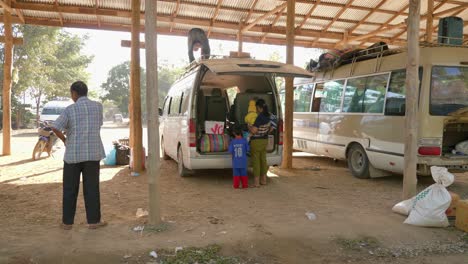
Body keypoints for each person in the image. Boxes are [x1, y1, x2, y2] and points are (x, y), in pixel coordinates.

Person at [52, 81, 107, 230]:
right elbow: (98, 124)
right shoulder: (98, 107)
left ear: (74, 93)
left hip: (73, 156)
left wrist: (65, 140)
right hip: (93, 155)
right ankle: (94, 222)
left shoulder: (70, 109)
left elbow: (55, 127)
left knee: (70, 189)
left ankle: (67, 223)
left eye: (71, 94)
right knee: (92, 189)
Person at [248, 99, 274, 187]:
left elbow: (254, 131)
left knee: (256, 161)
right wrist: (266, 131)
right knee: (263, 160)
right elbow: (273, 127)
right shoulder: (270, 116)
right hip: (264, 141)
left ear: (259, 108)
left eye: (256, 108)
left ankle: (256, 182)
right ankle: (263, 180)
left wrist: (249, 126)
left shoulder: (260, 117)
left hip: (256, 141)